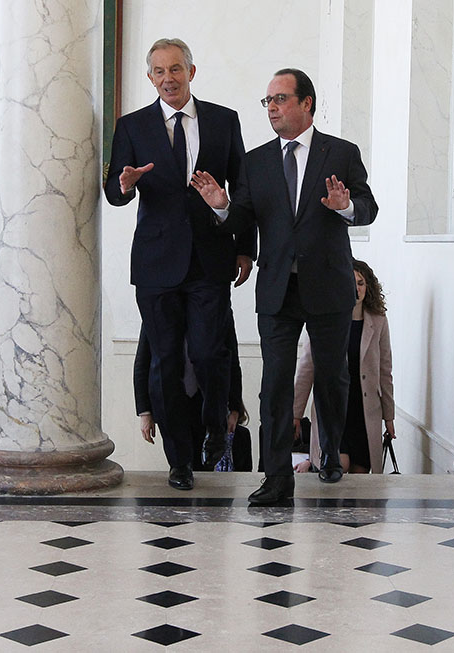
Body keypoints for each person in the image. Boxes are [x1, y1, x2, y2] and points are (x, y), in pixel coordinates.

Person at [192, 68, 378, 504]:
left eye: (280, 99)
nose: (272, 107)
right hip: (277, 288)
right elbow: (242, 219)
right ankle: (276, 476)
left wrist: (346, 204)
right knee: (274, 384)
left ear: (306, 103)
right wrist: (221, 207)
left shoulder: (341, 153)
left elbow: (369, 207)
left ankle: (330, 454)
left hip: (329, 287)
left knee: (332, 379)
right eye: (268, 101)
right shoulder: (255, 161)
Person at [105, 39, 250, 491]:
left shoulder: (224, 121)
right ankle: (179, 460)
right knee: (165, 361)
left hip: (209, 259)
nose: (168, 77)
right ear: (150, 78)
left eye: (176, 69)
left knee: (209, 352)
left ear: (192, 71)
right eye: (158, 71)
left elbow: (242, 189)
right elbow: (113, 191)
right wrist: (126, 185)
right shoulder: (132, 126)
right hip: (155, 263)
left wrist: (244, 247)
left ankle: (213, 428)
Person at [294, 259, 395, 474]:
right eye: (350, 282)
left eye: (360, 283)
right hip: (333, 407)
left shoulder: (378, 321)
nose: (355, 288)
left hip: (365, 410)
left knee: (360, 473)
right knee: (338, 465)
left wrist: (389, 417)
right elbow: (306, 368)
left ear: (368, 288)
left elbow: (385, 371)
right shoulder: (323, 320)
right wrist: (296, 413)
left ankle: (351, 510)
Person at [133, 312, 254, 476]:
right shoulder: (158, 308)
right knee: (179, 461)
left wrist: (234, 407)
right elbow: (143, 361)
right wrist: (145, 412)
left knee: (205, 464)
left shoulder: (215, 308)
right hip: (171, 399)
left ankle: (204, 500)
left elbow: (232, 361)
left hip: (207, 399)